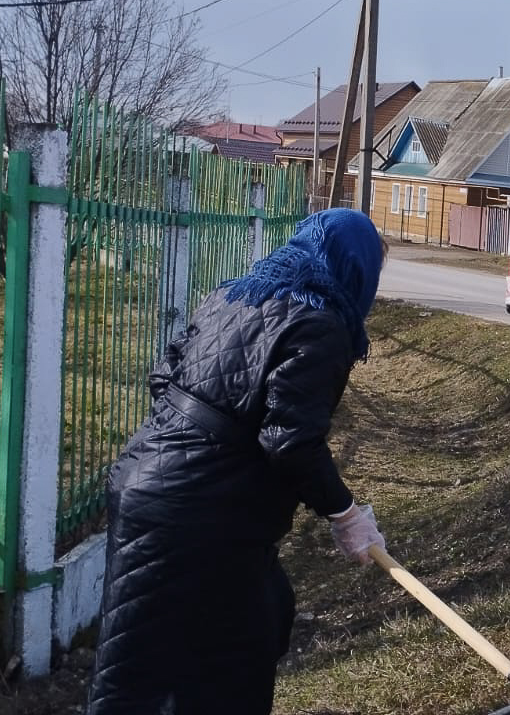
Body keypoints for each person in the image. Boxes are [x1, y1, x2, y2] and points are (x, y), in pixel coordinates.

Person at [87, 209, 389, 715]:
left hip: (146, 484)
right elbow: (291, 441)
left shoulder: (232, 295)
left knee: (175, 646)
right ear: (353, 267)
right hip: (201, 515)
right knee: (193, 668)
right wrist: (346, 515)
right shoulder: (319, 324)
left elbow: (164, 379)